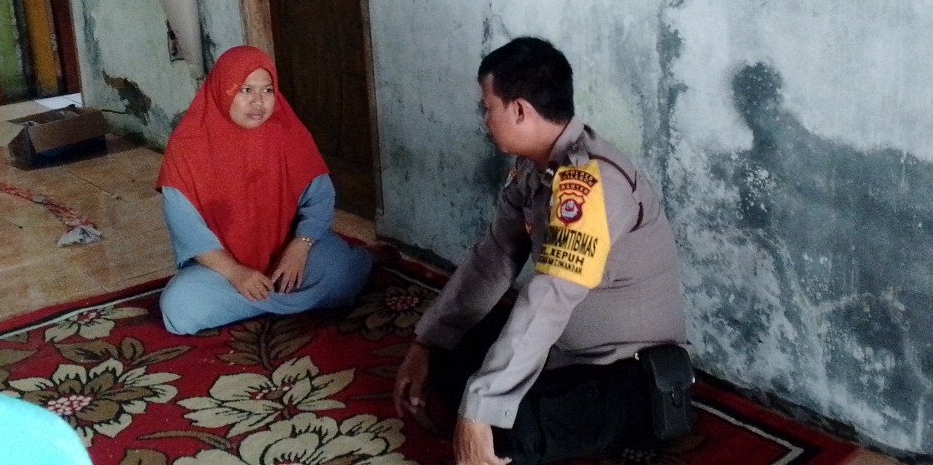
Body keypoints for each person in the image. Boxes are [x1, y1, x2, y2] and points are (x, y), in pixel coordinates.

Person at [394, 37, 689, 465]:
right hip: (563, 351)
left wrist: (481, 407)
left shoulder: (590, 184)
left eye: (487, 107)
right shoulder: (537, 169)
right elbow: (493, 257)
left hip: (625, 371)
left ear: (519, 110)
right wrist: (426, 343)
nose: (484, 119)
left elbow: (551, 296)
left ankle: (616, 430)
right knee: (452, 347)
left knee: (506, 426)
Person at [156, 45, 392, 335]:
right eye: (246, 90)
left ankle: (361, 258)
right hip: (223, 268)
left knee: (340, 273)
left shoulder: (288, 133)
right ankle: (286, 297)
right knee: (180, 308)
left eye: (267, 91)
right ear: (222, 90)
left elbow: (319, 198)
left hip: (288, 254)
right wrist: (235, 272)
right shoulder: (187, 147)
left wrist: (299, 248)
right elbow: (187, 229)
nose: (258, 102)